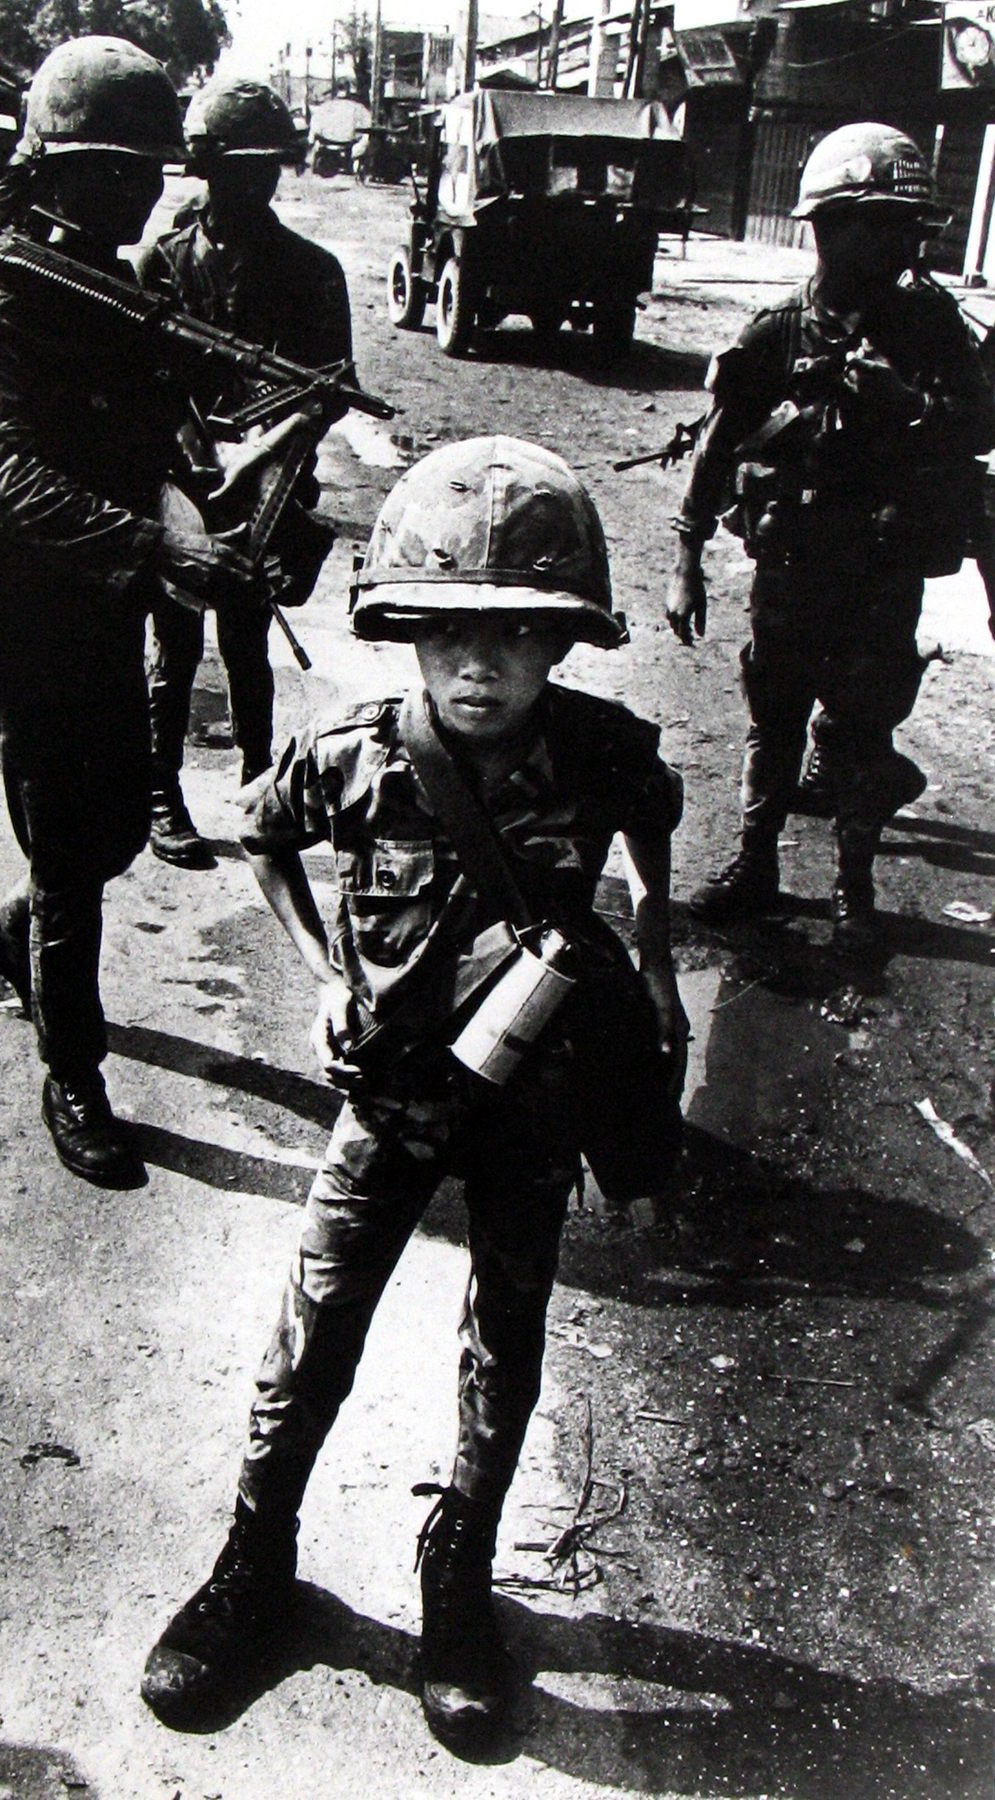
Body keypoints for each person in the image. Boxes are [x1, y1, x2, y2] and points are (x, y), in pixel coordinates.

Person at [140, 438, 688, 1749]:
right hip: (388, 1092)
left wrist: (657, 960)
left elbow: (658, 823)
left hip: (533, 1098)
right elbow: (262, 833)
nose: (479, 665)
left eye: (514, 636)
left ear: (562, 646)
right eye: (446, 633)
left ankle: (457, 1579)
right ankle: (252, 1561)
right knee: (316, 1317)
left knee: (505, 1333)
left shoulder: (602, 752)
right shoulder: (354, 753)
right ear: (403, 633)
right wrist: (322, 976)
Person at [0, 38, 254, 1186]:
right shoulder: (7, 296)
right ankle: (72, 1070)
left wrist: (200, 474)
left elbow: (153, 432)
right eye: (102, 171)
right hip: (26, 603)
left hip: (108, 596)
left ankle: (12, 929)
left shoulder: (126, 289)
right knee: (76, 855)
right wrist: (164, 551)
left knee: (116, 827)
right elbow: (13, 481)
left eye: (142, 173)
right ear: (53, 167)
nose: (128, 193)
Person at [667, 123, 995, 955]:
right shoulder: (776, 330)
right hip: (789, 568)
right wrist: (685, 558)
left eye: (909, 225)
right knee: (771, 724)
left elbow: (982, 425)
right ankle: (753, 866)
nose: (902, 241)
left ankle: (854, 889)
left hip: (883, 576)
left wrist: (910, 408)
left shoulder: (934, 328)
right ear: (824, 225)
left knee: (858, 734)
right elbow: (716, 440)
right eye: (879, 222)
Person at [135, 79, 353, 868]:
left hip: (269, 482)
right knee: (176, 643)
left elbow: (327, 392)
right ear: (205, 167)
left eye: (266, 167)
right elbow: (143, 380)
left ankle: (260, 789)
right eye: (237, 166)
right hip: (180, 475)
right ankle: (162, 797)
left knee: (247, 638)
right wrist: (191, 458)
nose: (253, 183)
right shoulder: (160, 263)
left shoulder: (308, 268)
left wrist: (253, 459)